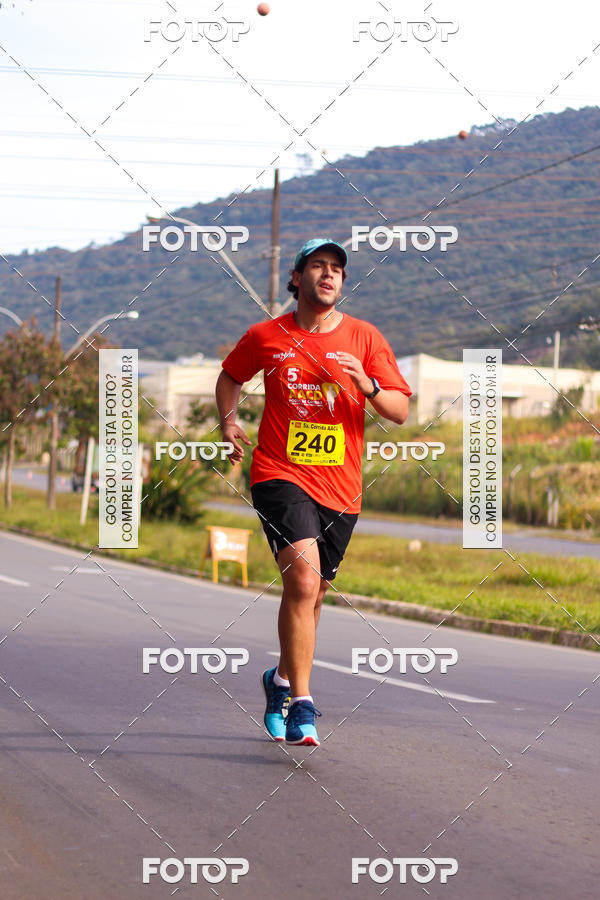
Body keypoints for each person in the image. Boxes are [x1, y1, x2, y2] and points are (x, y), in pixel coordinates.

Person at [216, 238, 411, 746]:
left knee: (315, 593)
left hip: (341, 488)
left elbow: (400, 410)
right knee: (302, 583)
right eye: (319, 266)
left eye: (337, 270)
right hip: (279, 473)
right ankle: (303, 703)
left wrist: (368, 386)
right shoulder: (266, 335)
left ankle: (278, 680)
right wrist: (230, 421)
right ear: (297, 278)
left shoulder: (364, 337)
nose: (329, 275)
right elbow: (230, 376)